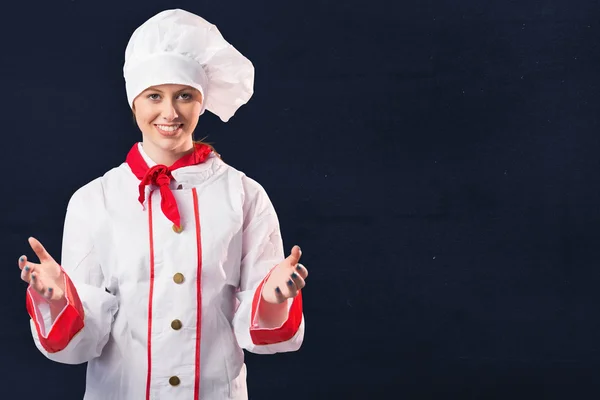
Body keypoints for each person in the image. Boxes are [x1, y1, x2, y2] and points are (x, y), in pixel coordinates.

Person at [17, 8, 307, 400]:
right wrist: (58, 299)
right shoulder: (93, 200)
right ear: (134, 103)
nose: (169, 113)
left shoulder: (244, 194)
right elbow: (82, 343)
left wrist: (272, 298)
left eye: (184, 96)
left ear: (201, 103)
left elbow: (259, 327)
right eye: (155, 96)